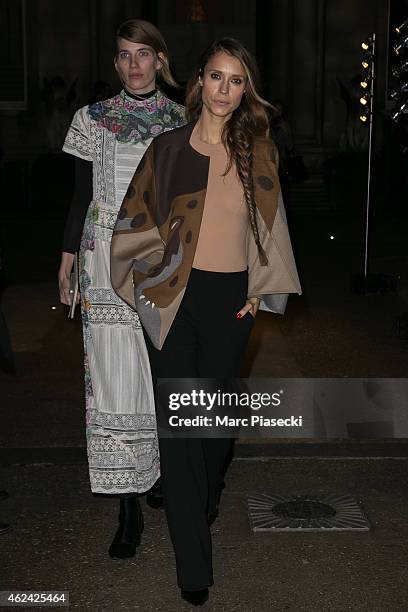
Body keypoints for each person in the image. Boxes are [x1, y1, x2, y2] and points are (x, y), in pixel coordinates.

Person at [111, 38, 301, 605]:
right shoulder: (167, 148)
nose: (224, 90)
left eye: (236, 80)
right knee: (180, 434)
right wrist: (147, 283)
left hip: (230, 303)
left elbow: (272, 229)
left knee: (212, 433)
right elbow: (132, 221)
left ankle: (207, 488)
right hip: (175, 299)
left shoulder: (257, 153)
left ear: (246, 90)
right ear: (199, 82)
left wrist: (259, 290)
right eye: (216, 77)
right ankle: (193, 565)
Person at [57, 19, 185, 559]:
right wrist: (66, 260)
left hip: (162, 264)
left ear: (159, 59)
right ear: (116, 63)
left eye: (143, 54)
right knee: (112, 381)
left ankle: (157, 472)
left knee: (159, 373)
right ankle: (126, 505)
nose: (133, 64)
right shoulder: (91, 120)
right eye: (124, 55)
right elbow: (80, 196)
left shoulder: (184, 119)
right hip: (102, 263)